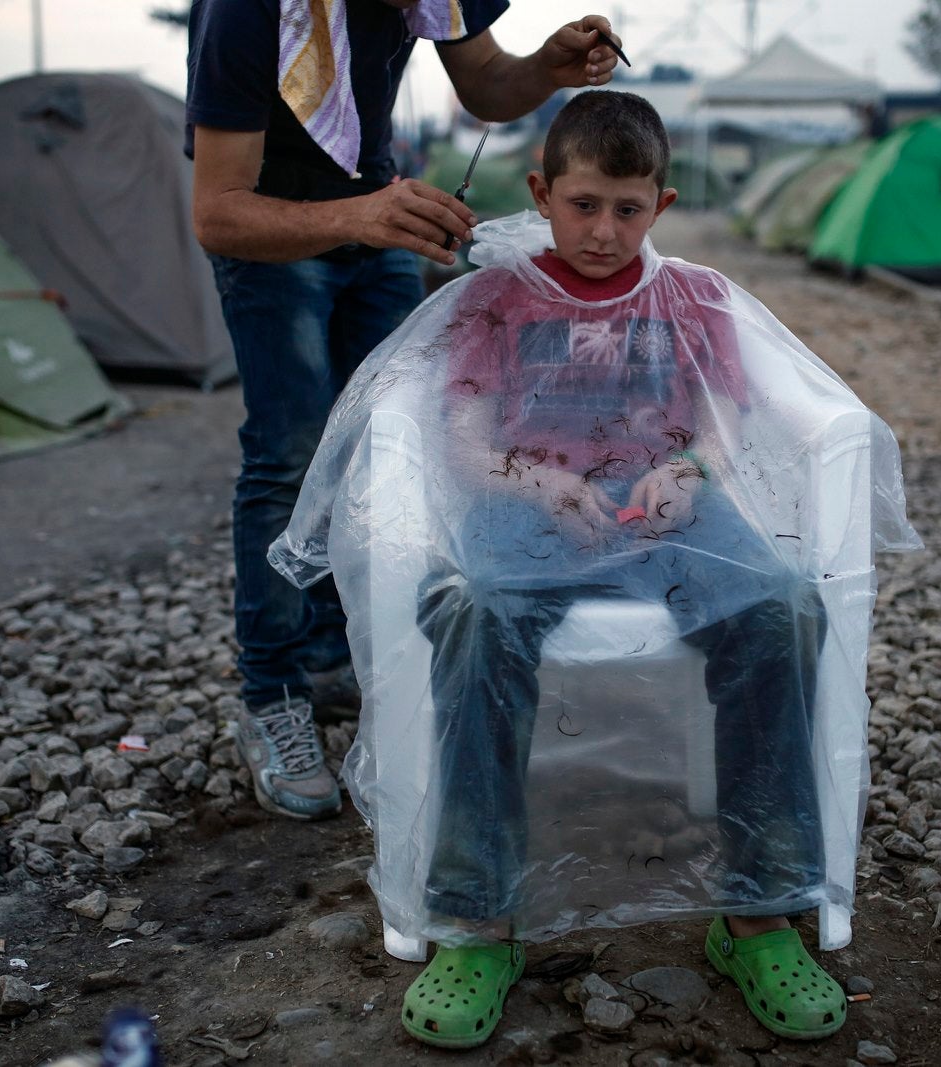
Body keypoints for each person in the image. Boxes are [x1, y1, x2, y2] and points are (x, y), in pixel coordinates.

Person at [392, 90, 849, 1048]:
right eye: (584, 204)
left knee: (779, 607)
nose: (604, 231)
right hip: (530, 508)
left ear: (662, 205)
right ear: (542, 193)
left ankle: (760, 913)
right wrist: (539, 478)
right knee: (472, 610)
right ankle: (478, 919)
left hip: (666, 508)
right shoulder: (496, 300)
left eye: (628, 209)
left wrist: (685, 472)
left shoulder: (693, 299)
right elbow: (468, 447)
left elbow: (720, 434)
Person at [187, 0, 626, 821]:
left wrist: (546, 67)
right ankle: (272, 690)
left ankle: (339, 655)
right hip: (279, 239)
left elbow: (489, 83)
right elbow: (216, 210)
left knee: (397, 450)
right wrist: (357, 213)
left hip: (377, 224)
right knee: (288, 455)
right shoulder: (247, 13)